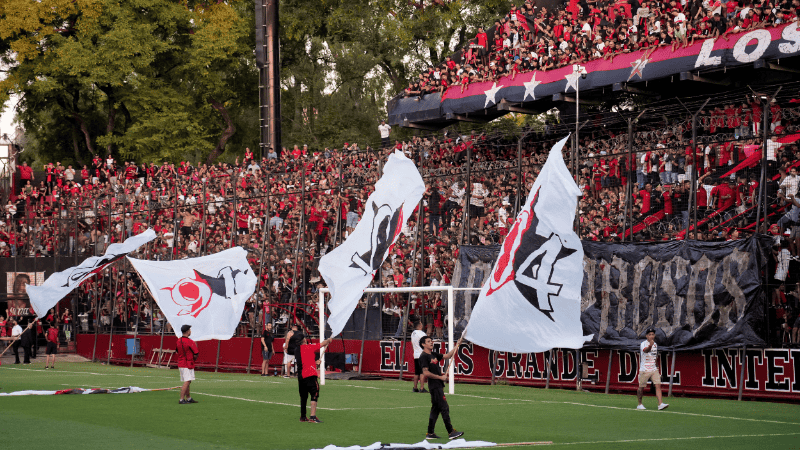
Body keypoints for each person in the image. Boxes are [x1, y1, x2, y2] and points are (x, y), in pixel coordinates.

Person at [419, 335, 464, 440]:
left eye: (431, 340)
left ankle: (430, 433)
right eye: (429, 341)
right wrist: (440, 377)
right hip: (434, 386)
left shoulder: (433, 354)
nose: (431, 342)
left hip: (438, 385)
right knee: (444, 408)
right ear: (423, 344)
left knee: (435, 409)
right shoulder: (423, 356)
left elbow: (448, 356)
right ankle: (451, 432)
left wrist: (457, 344)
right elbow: (425, 372)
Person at [292, 332, 333, 423]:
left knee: (303, 397)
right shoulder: (309, 347)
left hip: (301, 376)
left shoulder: (296, 350)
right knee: (315, 393)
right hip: (310, 375)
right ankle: (312, 417)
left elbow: (305, 361)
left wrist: (314, 363)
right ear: (303, 340)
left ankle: (303, 417)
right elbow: (322, 344)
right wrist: (329, 340)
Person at [636, 327, 668, 411]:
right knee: (641, 387)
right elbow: (646, 351)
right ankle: (639, 404)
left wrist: (656, 365)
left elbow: (654, 356)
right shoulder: (643, 343)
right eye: (649, 334)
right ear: (646, 336)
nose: (651, 336)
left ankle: (660, 404)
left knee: (658, 385)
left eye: (653, 334)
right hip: (644, 369)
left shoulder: (655, 344)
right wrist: (650, 345)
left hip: (653, 369)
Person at [176, 324, 199, 404]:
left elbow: (177, 351)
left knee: (187, 381)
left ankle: (188, 398)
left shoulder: (179, 340)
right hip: (188, 363)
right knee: (187, 381)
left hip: (181, 363)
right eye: (189, 330)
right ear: (188, 331)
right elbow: (196, 353)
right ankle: (181, 399)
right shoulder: (190, 341)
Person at [411, 321, 428, 393]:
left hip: (416, 354)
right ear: (420, 326)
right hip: (422, 354)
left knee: (416, 372)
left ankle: (415, 388)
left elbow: (412, 343)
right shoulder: (422, 334)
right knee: (422, 372)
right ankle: (421, 388)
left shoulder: (413, 333)